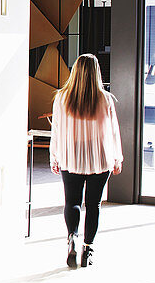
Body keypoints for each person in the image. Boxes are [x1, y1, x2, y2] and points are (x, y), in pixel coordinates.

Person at [49, 53, 122, 268]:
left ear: (75, 71)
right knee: (93, 204)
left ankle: (72, 237)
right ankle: (88, 249)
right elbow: (113, 132)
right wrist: (117, 157)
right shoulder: (105, 99)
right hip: (99, 157)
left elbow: (57, 131)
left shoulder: (62, 98)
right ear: (97, 72)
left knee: (71, 202)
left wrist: (55, 156)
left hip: (71, 156)